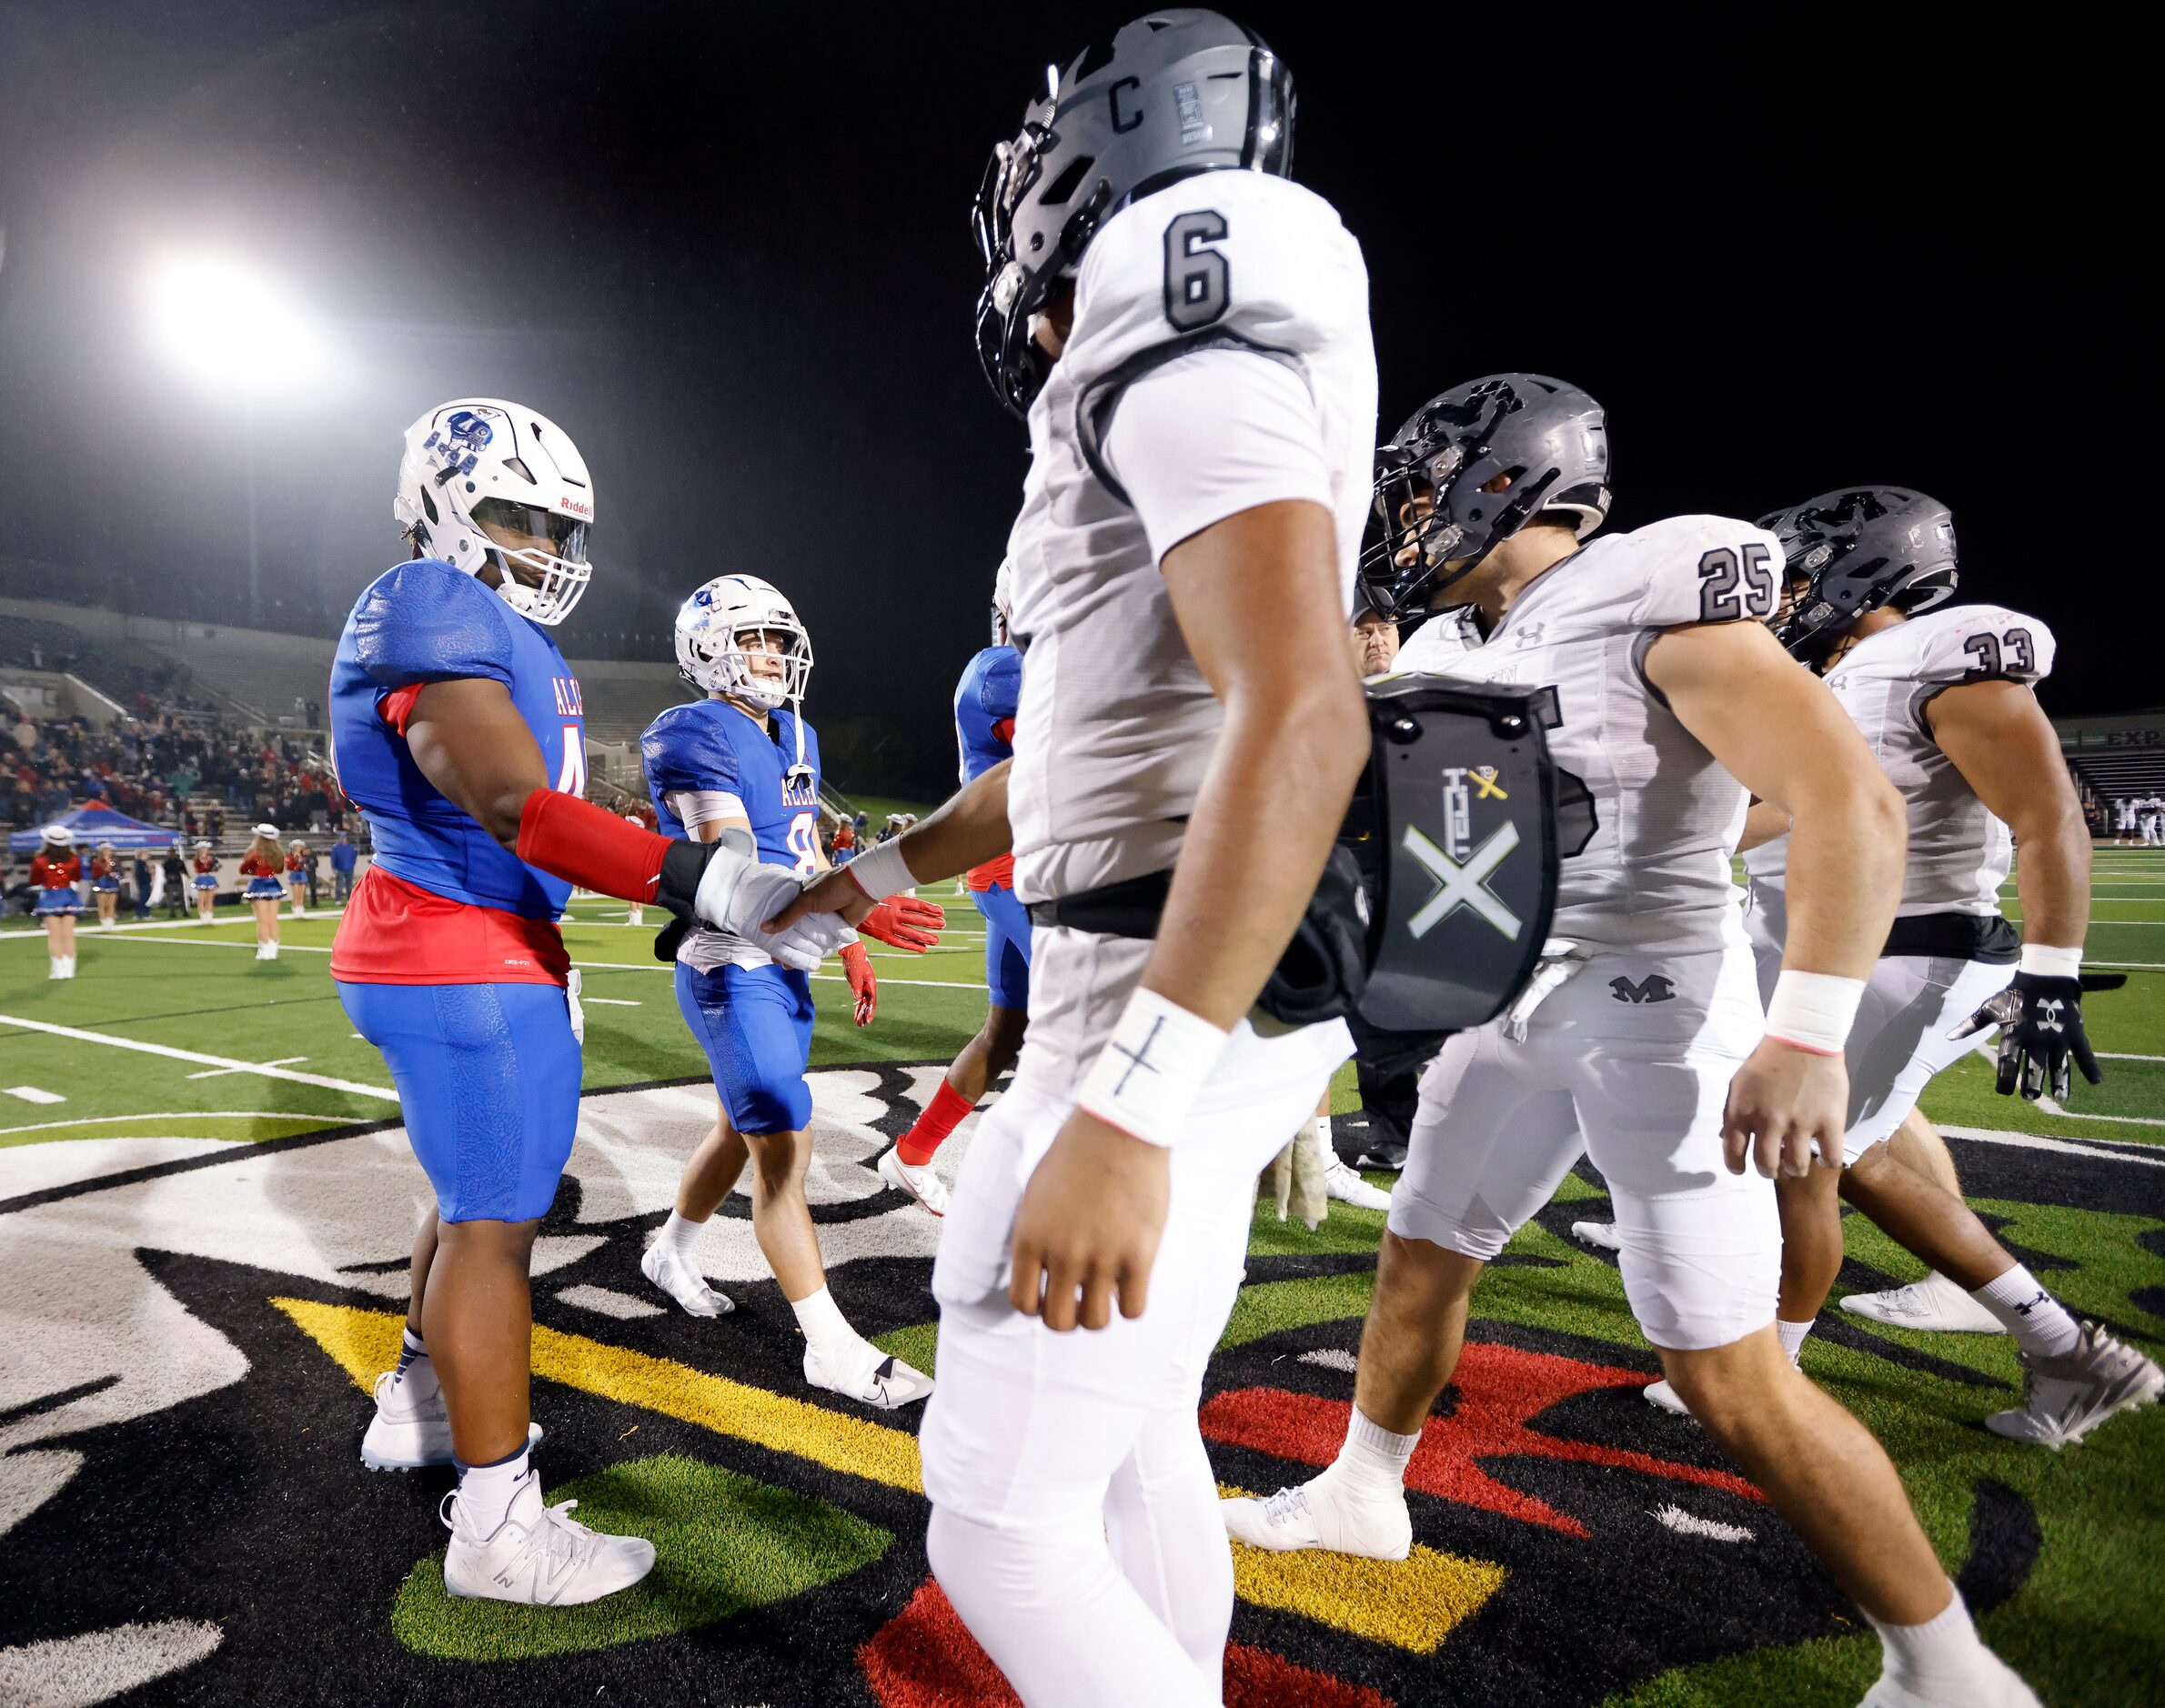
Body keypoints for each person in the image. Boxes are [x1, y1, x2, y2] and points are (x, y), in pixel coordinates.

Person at [1223, 378, 2043, 1708]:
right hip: (1517, 1003)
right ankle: (1365, 1491)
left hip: (1654, 1005)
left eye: (1427, 487)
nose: (1409, 516)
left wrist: (1811, 1033)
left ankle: (1949, 1668)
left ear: (1504, 476)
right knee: (1421, 1254)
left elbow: (1847, 799)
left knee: (1725, 1375)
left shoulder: (1646, 593)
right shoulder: (1473, 636)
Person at [770, 16, 1375, 1700]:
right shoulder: (1201, 363)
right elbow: (1068, 769)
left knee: (1000, 1527)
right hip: (1187, 980)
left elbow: (1304, 715)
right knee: (1125, 1430)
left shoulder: (1182, 350)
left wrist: (1126, 1107)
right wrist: (858, 878)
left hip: (1145, 1006)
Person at [338, 398, 851, 1608]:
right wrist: (716, 879)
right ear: (445, 501)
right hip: (460, 948)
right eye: (516, 514)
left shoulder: (482, 620)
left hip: (471, 940)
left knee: (474, 1206)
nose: (544, 544)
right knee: (499, 1228)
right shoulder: (431, 606)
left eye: (556, 523)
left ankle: (416, 1397)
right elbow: (519, 805)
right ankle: (498, 1526)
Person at [1665, 487, 2157, 1446]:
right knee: (1854, 1156)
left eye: (1803, 574)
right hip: (1847, 949)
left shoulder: (1941, 654)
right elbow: (1784, 811)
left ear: (1866, 569)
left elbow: (2048, 814)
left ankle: (1771, 1369)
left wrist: (2053, 974)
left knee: (1803, 1161)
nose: (1788, 595)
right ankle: (2068, 1352)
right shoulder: (1846, 678)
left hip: (1913, 943)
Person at [637, 573, 944, 1406]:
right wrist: (851, 920)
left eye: (778, 639)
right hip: (733, 962)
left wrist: (847, 943)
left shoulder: (794, 737)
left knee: (742, 1129)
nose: (770, 656)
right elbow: (733, 868)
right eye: (751, 640)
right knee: (785, 1145)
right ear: (707, 650)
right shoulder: (690, 731)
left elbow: (807, 857)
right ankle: (829, 1346)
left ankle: (668, 1250)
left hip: (793, 958)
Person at [878, 561, 1030, 1216]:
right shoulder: (1003, 669)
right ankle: (1033, 1190)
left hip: (1016, 867)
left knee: (1006, 1031)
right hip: (1020, 868)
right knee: (1093, 1029)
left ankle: (910, 1154)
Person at [30, 824, 82, 980]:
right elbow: (77, 877)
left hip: (50, 898)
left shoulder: (40, 860)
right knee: (68, 935)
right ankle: (69, 970)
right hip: (69, 896)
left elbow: (34, 880)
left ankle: (58, 970)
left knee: (54, 936)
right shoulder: (73, 859)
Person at [240, 826, 287, 960]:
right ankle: (273, 950)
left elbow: (244, 869)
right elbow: (280, 870)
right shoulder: (278, 852)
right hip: (273, 884)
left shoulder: (252, 852)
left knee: (262, 921)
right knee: (272, 920)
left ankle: (264, 950)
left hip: (258, 884)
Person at [88, 839, 121, 929]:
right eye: (106, 850)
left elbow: (119, 872)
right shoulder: (96, 861)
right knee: (102, 904)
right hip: (101, 883)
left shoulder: (115, 860)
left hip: (112, 884)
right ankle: (104, 922)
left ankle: (110, 922)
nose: (108, 852)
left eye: (109, 850)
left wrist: (114, 874)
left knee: (111, 904)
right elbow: (94, 873)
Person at [622, 812, 646, 926]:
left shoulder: (632, 839)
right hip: (642, 868)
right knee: (639, 895)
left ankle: (633, 918)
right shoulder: (643, 838)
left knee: (631, 894)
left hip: (633, 867)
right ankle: (638, 918)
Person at [191, 838, 218, 922]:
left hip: (210, 877)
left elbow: (215, 868)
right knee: (201, 898)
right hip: (202, 878)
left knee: (209, 898)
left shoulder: (211, 858)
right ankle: (202, 915)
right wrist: (203, 859)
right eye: (202, 848)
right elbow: (198, 868)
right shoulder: (196, 859)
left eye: (205, 848)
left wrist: (215, 865)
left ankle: (209, 915)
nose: (204, 849)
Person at [161, 841, 188, 919]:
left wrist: (187, 875)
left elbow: (183, 869)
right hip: (170, 882)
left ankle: (184, 912)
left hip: (178, 881)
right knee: (170, 898)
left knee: (181, 897)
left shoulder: (178, 861)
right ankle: (172, 913)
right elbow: (163, 871)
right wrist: (167, 876)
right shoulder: (166, 862)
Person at [284, 839, 309, 919]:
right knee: (296, 894)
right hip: (294, 875)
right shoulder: (289, 856)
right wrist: (296, 859)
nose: (300, 847)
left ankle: (301, 909)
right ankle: (295, 909)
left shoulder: (303, 856)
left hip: (302, 874)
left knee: (301, 895)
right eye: (298, 846)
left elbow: (306, 865)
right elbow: (289, 866)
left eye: (300, 846)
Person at [329, 830, 357, 902]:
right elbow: (333, 858)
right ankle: (338, 899)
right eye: (342, 837)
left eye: (344, 837)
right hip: (340, 869)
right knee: (339, 885)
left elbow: (354, 857)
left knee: (349, 885)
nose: (343, 839)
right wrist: (334, 868)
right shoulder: (336, 847)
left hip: (349, 869)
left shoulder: (350, 847)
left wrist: (352, 864)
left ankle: (350, 899)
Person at [131, 849, 153, 920]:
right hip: (143, 883)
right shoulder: (139, 863)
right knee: (143, 898)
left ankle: (144, 913)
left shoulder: (143, 863)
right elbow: (139, 874)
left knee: (145, 897)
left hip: (145, 883)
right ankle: (142, 913)